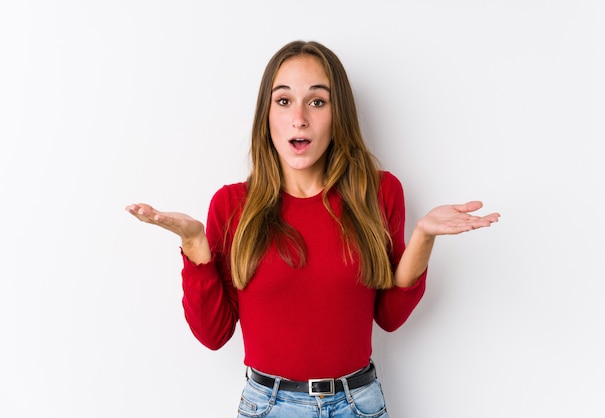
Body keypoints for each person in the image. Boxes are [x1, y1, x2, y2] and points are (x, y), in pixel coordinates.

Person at [126, 40, 500, 417]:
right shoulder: (232, 205)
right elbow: (213, 334)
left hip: (359, 404)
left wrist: (424, 237)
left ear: (338, 115)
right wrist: (194, 244)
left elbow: (389, 317)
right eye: (284, 101)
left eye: (317, 101)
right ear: (266, 115)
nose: (299, 118)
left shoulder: (379, 192)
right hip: (268, 406)